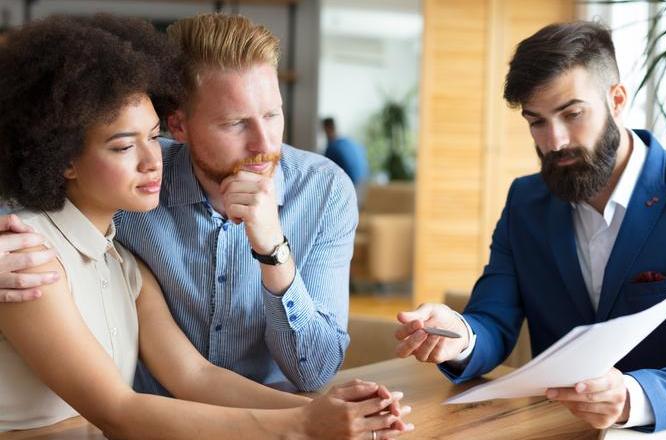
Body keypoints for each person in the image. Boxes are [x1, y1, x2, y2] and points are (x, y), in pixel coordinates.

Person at [0, 15, 412, 439]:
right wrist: (303, 424)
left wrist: (336, 412)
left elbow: (196, 377)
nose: (151, 159)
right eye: (125, 145)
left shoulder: (123, 262)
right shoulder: (25, 258)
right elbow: (119, 411)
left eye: (152, 137)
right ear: (181, 129)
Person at [393, 21, 666, 433]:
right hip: (558, 429)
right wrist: (460, 336)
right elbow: (493, 322)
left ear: (617, 99)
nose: (554, 141)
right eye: (537, 121)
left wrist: (630, 399)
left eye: (572, 114)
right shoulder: (525, 202)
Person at [323, 117, 370, 189]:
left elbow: (324, 171)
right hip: (364, 184)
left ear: (326, 129)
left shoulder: (332, 147)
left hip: (351, 185)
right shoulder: (350, 141)